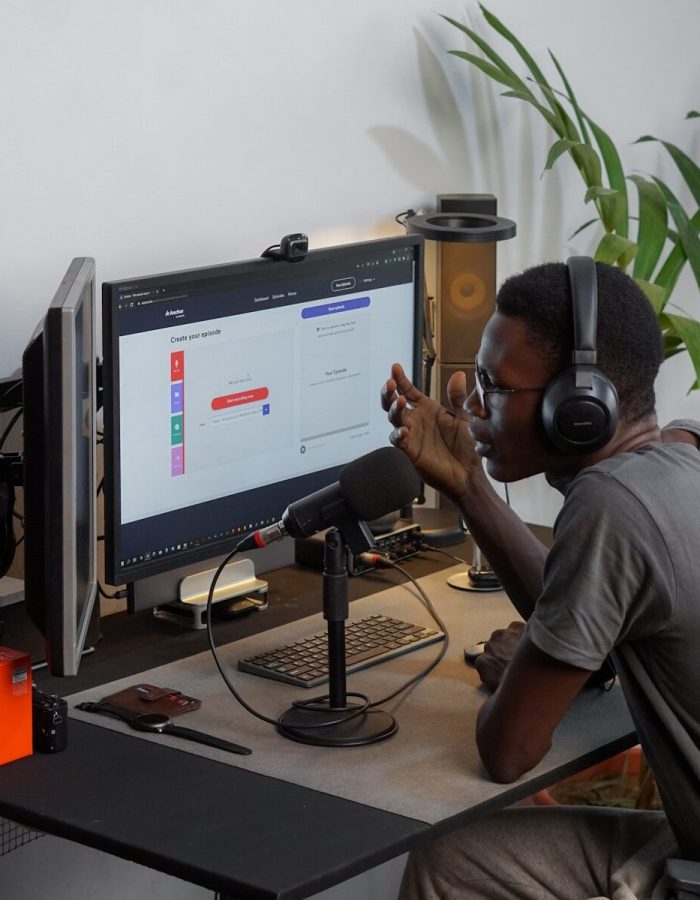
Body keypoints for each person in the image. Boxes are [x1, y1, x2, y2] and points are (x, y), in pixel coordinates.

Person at [381, 260, 700, 900]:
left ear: (578, 407)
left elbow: (509, 750)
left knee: (448, 865)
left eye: (493, 387)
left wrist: (527, 665)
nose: (471, 407)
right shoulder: (684, 452)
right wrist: (470, 483)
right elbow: (604, 627)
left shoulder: (611, 506)